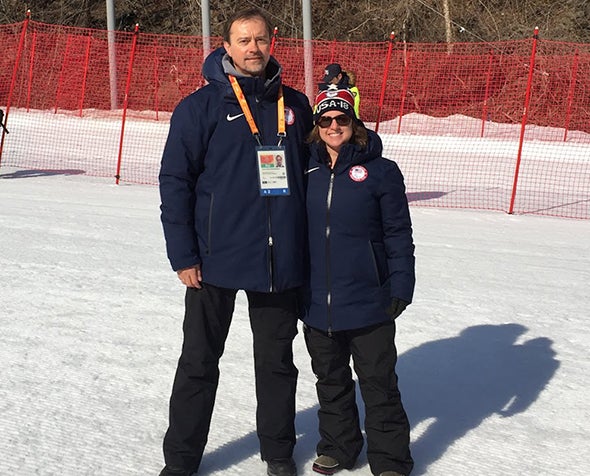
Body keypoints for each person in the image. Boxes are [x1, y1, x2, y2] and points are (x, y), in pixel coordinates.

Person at [158, 7, 313, 476]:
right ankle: (181, 461)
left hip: (278, 261)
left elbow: (328, 161)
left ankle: (279, 455)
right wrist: (182, 254)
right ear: (226, 46)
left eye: (260, 39)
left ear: (273, 42)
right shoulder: (200, 107)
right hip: (213, 261)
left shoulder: (297, 105)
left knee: (277, 365)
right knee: (199, 364)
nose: (253, 48)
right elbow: (175, 182)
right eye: (243, 41)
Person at [302, 88, 415, 476]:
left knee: (379, 384)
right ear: (317, 127)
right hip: (317, 300)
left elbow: (398, 232)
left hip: (369, 299)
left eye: (342, 119)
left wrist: (401, 284)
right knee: (330, 381)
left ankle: (390, 460)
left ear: (355, 122)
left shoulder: (381, 171)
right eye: (325, 120)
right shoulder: (306, 169)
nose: (334, 126)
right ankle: (339, 445)